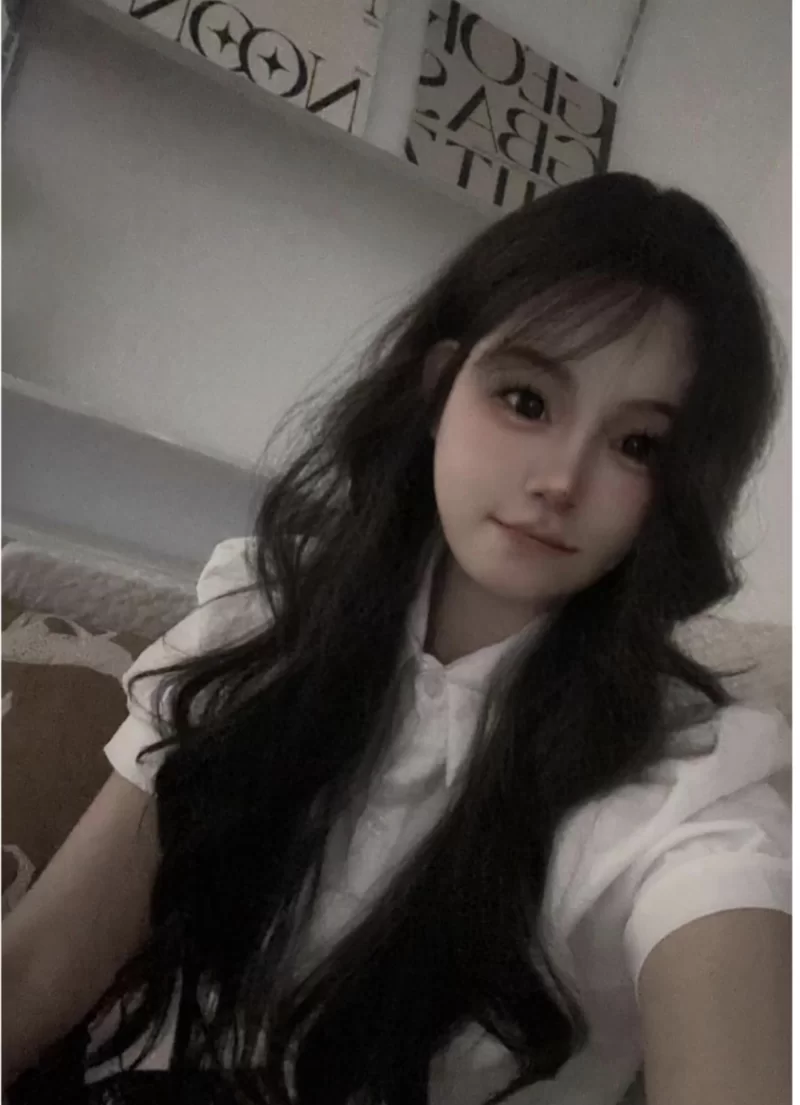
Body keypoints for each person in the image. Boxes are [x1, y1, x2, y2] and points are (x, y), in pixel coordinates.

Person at [3, 173, 790, 1105]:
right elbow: (41, 967)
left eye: (639, 446)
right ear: (440, 384)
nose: (561, 479)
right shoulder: (259, 624)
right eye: (527, 400)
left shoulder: (683, 787)